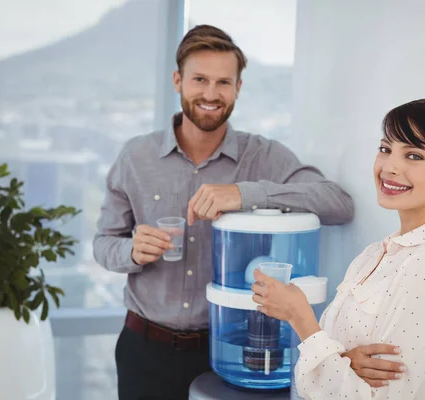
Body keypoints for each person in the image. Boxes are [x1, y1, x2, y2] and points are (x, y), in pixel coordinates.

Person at [92, 24, 359, 400]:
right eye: (199, 79)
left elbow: (338, 203)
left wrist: (244, 194)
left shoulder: (262, 157)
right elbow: (103, 243)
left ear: (238, 88)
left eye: (223, 82)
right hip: (144, 350)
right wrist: (130, 251)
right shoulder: (135, 157)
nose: (211, 94)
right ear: (177, 81)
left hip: (230, 351)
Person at [252, 98, 425, 399]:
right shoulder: (373, 255)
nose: (390, 167)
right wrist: (344, 361)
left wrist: (300, 317)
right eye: (385, 149)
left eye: (414, 156)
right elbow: (310, 379)